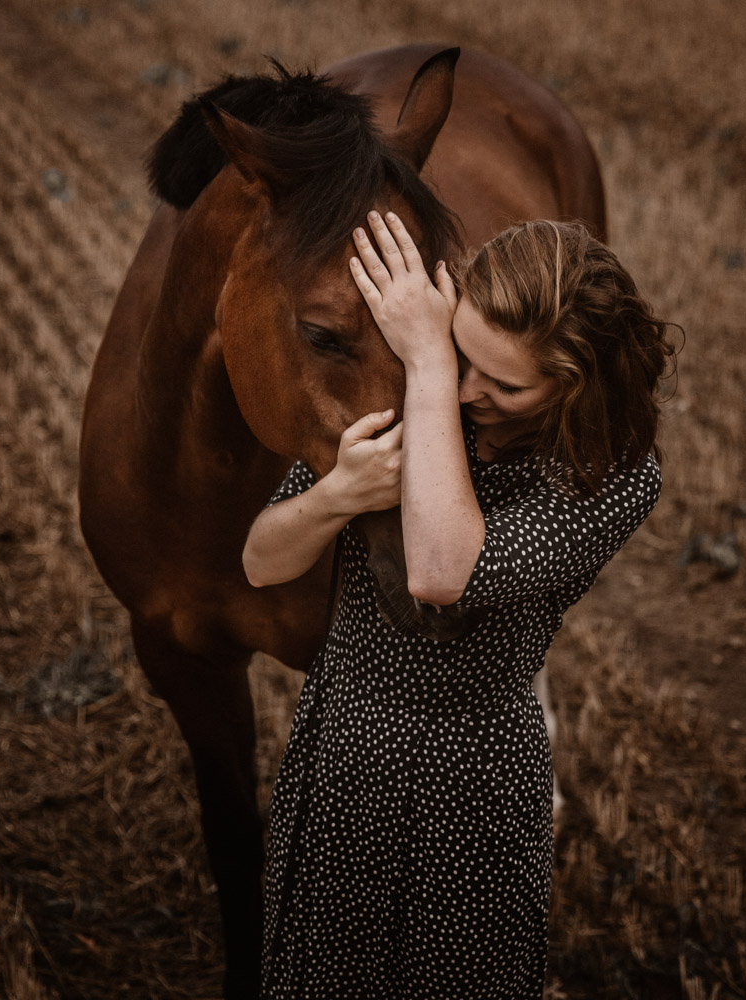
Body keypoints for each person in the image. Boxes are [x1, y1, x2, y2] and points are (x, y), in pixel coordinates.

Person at [244, 211, 673, 997]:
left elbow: (443, 570)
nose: (471, 390)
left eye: (504, 383)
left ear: (572, 384)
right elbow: (262, 561)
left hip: (473, 781)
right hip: (346, 749)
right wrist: (335, 494)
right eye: (461, 358)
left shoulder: (610, 473)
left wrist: (432, 374)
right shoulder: (404, 387)